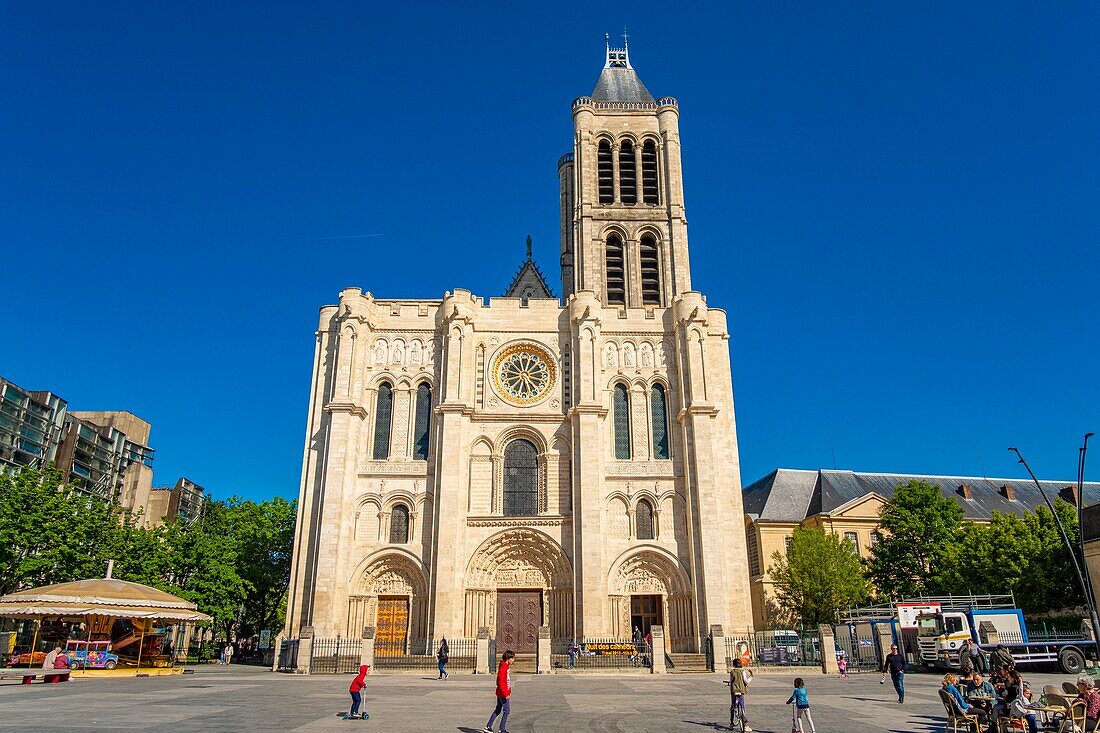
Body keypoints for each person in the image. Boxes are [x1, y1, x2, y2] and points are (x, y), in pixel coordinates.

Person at [483, 649, 515, 733]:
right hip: (503, 693)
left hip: (501, 692)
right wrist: (506, 693)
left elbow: (505, 681)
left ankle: (488, 726)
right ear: (508, 659)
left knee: (498, 709)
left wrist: (509, 690)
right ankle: (502, 729)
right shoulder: (503, 668)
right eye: (512, 658)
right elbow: (500, 682)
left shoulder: (505, 667)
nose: (513, 660)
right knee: (506, 711)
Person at [728, 658, 753, 732]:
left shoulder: (732, 672)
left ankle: (731, 723)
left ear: (734, 665)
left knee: (733, 706)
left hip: (734, 691)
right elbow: (746, 681)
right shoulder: (743, 672)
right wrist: (751, 676)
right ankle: (745, 725)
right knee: (742, 706)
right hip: (741, 691)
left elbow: (731, 681)